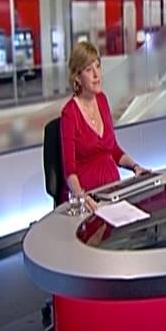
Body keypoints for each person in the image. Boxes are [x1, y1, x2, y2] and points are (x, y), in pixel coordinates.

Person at [61, 40, 148, 214]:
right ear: (77, 77)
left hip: (113, 192)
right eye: (88, 70)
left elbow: (113, 149)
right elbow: (69, 171)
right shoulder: (69, 114)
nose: (96, 74)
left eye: (98, 66)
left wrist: (136, 167)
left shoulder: (102, 100)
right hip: (90, 200)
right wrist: (81, 197)